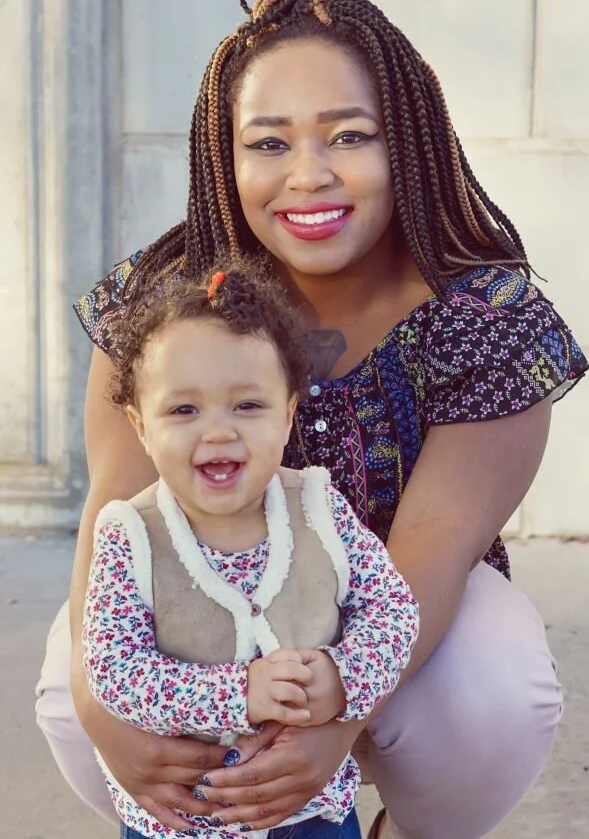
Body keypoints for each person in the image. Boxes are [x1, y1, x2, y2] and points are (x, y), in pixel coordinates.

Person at [36, 0, 589, 839]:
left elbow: (437, 545)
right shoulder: (167, 307)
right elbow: (117, 508)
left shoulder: (483, 319)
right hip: (206, 596)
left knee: (497, 691)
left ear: (406, 143)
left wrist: (337, 718)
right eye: (268, 143)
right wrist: (100, 707)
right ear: (225, 156)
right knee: (73, 696)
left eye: (349, 135)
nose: (308, 176)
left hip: (401, 614)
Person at [82, 262, 418, 839]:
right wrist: (241, 693)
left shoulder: (318, 510)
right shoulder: (130, 536)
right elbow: (115, 671)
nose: (218, 432)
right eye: (184, 410)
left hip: (311, 812)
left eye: (247, 406)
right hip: (185, 820)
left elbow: (392, 611)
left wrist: (343, 677)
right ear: (141, 427)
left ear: (288, 415)